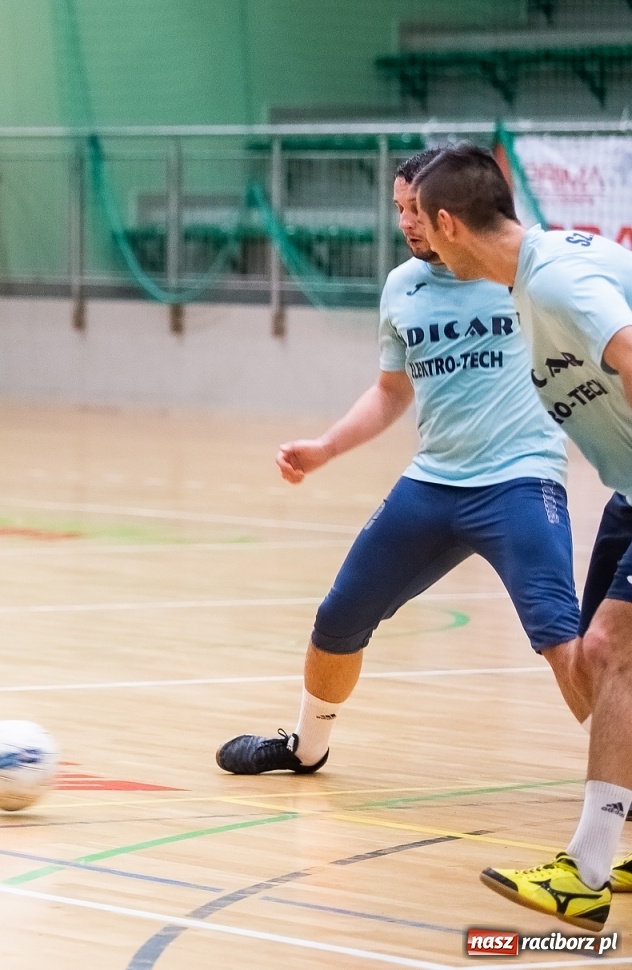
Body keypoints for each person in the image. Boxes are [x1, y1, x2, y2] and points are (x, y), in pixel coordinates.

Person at [216, 148, 589, 780]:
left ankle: (622, 773)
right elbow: (392, 390)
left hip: (520, 480)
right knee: (339, 617)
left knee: (561, 637)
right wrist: (326, 447)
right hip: (434, 482)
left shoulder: (523, 270)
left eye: (417, 209)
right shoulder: (403, 287)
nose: (407, 223)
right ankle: (307, 747)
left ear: (452, 214)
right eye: (398, 210)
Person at [415, 141, 632, 930]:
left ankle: (586, 872)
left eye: (424, 228)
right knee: (592, 665)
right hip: (627, 492)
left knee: (609, 652)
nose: (424, 245)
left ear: (450, 224)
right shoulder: (531, 278)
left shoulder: (557, 280)